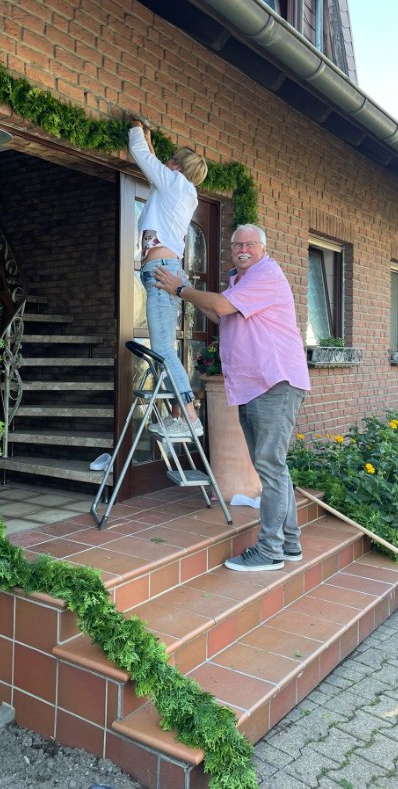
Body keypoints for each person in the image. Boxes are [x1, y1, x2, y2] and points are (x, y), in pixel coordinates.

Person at [153, 224, 311, 571]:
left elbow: (223, 307)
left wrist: (180, 288)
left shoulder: (266, 274)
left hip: (275, 383)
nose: (242, 249)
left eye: (250, 244)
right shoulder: (240, 281)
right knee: (272, 466)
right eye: (237, 244)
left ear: (263, 248)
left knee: (270, 466)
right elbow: (220, 313)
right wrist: (187, 292)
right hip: (256, 385)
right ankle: (289, 544)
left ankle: (270, 551)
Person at [128, 116, 208, 439]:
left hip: (161, 271)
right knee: (165, 346)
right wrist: (149, 137)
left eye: (171, 160)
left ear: (177, 167)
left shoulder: (175, 184)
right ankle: (181, 412)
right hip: (164, 269)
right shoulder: (179, 191)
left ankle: (188, 415)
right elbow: (154, 162)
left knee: (163, 347)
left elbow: (144, 158)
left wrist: (136, 129)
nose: (166, 163)